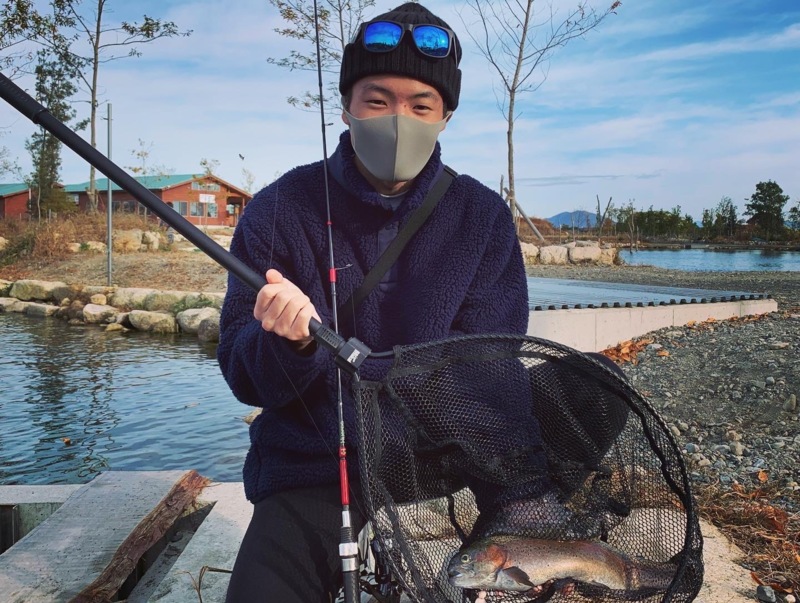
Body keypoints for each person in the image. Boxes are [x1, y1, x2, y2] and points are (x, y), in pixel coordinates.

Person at [218, 2, 624, 601]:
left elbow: (492, 364)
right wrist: (291, 342)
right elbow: (243, 374)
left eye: (420, 105)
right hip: (325, 454)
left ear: (446, 115)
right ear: (348, 104)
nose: (398, 120)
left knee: (595, 387)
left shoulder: (481, 216)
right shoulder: (280, 209)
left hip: (445, 442)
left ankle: (500, 532)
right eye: (377, 101)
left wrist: (522, 494)